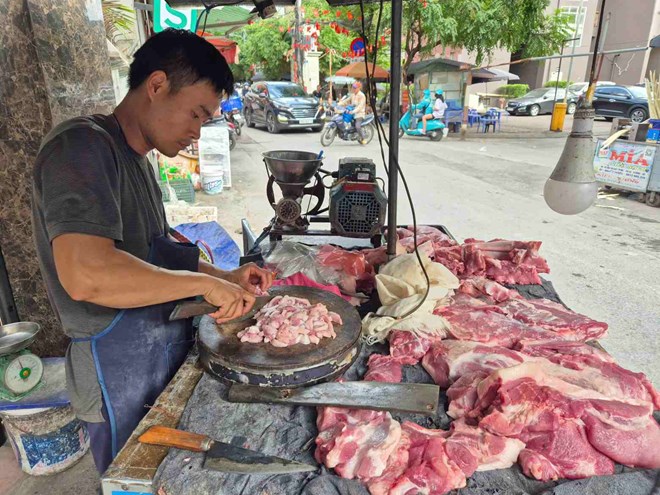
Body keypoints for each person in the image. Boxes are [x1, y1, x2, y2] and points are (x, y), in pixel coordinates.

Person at [31, 29, 273, 474]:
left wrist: (224, 277)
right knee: (134, 480)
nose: (198, 133)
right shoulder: (81, 147)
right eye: (197, 113)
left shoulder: (137, 160)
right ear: (157, 85)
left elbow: (156, 254)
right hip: (114, 370)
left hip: (155, 357)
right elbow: (88, 274)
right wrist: (204, 283)